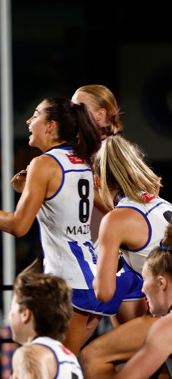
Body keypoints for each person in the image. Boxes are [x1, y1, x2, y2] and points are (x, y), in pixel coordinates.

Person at [0, 97, 126, 356]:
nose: (29, 121)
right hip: (91, 278)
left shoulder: (44, 163)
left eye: (35, 115)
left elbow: (18, 226)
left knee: (57, 366)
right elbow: (112, 210)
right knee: (59, 363)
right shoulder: (81, 160)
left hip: (70, 283)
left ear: (50, 126)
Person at [80, 135, 172, 379]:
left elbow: (104, 292)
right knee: (149, 366)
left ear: (97, 180)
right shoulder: (161, 203)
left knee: (92, 357)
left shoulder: (117, 219)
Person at [71, 85, 147, 327]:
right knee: (131, 352)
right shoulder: (79, 151)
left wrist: (75, 184)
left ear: (100, 114)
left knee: (70, 347)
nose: (72, 112)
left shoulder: (111, 152)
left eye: (78, 107)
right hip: (94, 257)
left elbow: (124, 208)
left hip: (113, 262)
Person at [94, 222, 172, 379]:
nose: (142, 289)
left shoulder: (166, 328)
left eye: (144, 279)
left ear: (161, 282)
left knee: (91, 356)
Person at [8, 272, 84, 379]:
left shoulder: (29, 354)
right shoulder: (70, 358)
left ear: (25, 314)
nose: (9, 315)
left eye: (12, 307)